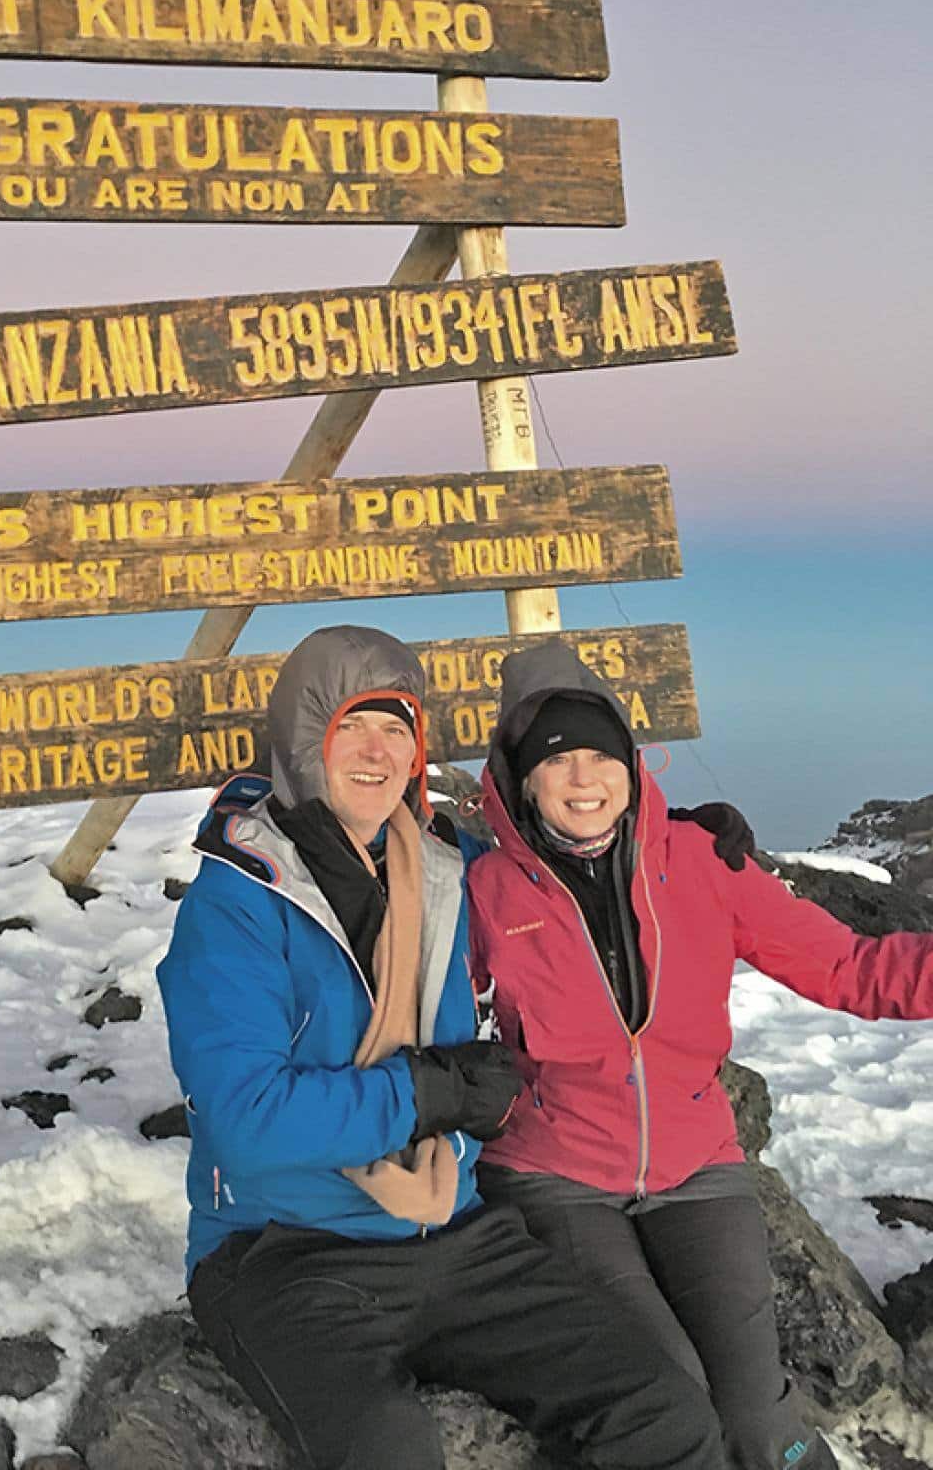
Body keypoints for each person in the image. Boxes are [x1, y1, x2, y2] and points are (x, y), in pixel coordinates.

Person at [157, 624, 730, 1470]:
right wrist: (428, 1095)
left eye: (396, 728)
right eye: (352, 723)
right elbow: (247, 1121)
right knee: (386, 1449)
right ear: (303, 738)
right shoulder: (237, 906)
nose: (377, 751)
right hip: (285, 1253)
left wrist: (673, 838)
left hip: (455, 1238)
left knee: (660, 1412)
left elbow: (557, 863)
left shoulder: (444, 868)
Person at [469, 637, 933, 1470]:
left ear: (631, 765)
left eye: (598, 755)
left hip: (696, 1166)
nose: (583, 778)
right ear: (519, 778)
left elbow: (845, 965)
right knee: (668, 1396)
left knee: (758, 1410)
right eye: (556, 759)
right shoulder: (479, 890)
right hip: (555, 1178)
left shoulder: (700, 861)